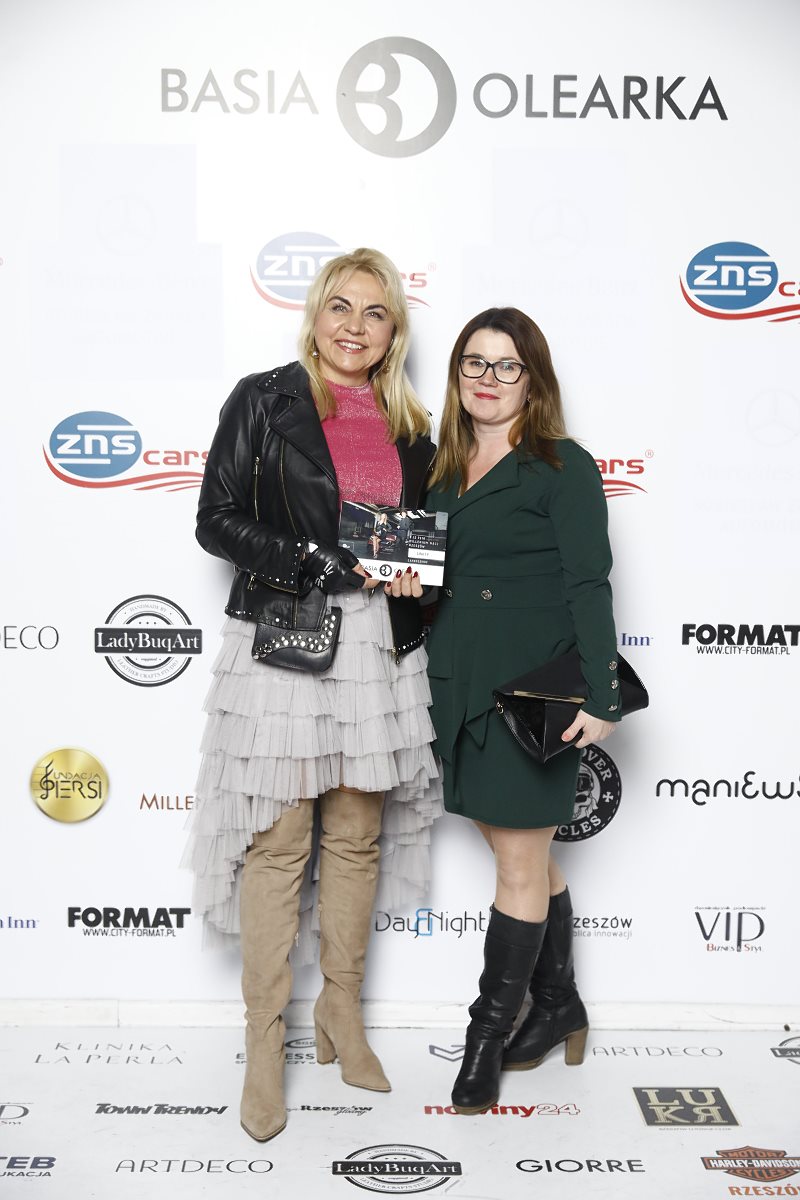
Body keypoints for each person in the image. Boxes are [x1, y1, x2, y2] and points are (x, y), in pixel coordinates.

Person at [183, 248, 441, 1142]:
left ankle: (342, 1013)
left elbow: (415, 543)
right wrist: (311, 558)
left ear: (393, 331)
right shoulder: (265, 399)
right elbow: (216, 519)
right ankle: (265, 1044)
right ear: (315, 315)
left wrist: (415, 580)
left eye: (374, 312)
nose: (353, 327)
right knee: (280, 842)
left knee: (358, 837)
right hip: (288, 634)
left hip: (377, 648)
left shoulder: (413, 424)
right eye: (340, 306)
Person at [425, 307, 620, 1115]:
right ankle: (561, 1003)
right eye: (474, 362)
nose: (488, 378)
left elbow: (589, 583)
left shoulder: (562, 467)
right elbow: (432, 577)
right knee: (523, 856)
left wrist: (603, 694)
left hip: (531, 693)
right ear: (457, 374)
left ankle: (487, 1037)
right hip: (453, 683)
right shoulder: (441, 466)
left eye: (507, 365)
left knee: (516, 864)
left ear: (532, 379)